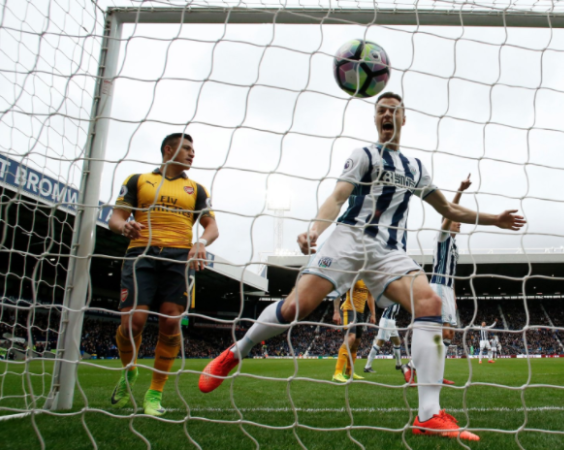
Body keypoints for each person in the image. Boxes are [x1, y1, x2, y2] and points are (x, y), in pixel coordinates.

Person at [198, 92, 525, 442]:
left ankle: (428, 414)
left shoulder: (414, 167)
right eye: (381, 110)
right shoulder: (364, 155)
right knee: (297, 307)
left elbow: (447, 209)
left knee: (429, 303)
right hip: (349, 239)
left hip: (389, 250)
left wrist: (495, 219)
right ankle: (237, 351)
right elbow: (338, 196)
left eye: (393, 110)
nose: (387, 114)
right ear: (375, 119)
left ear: (403, 118)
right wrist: (314, 230)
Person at [108, 133, 218, 416]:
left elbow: (212, 227)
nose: (192, 154)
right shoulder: (138, 180)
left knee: (170, 323)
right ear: (168, 150)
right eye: (186, 148)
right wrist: (124, 228)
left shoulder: (197, 189)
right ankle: (128, 370)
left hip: (178, 258)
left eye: (194, 149)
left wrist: (200, 242)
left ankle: (154, 394)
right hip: (140, 255)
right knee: (133, 323)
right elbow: (116, 218)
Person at [430, 174, 471, 382]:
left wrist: (453, 297)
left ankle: (430, 371)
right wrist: (460, 190)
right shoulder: (442, 237)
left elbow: (452, 276)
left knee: (449, 335)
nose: (459, 224)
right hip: (437, 288)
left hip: (447, 290)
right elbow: (449, 211)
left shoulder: (455, 246)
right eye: (456, 221)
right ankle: (422, 370)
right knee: (443, 335)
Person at [331, 280, 376, 382]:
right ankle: (337, 373)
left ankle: (349, 372)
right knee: (351, 337)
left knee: (356, 342)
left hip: (360, 312)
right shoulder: (353, 276)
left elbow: (370, 297)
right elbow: (338, 291)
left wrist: (373, 314)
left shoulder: (368, 279)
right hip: (348, 309)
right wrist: (336, 311)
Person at [363, 303, 404, 373]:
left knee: (397, 342)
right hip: (386, 321)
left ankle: (398, 364)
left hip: (392, 321)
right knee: (380, 342)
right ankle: (367, 366)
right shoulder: (392, 295)